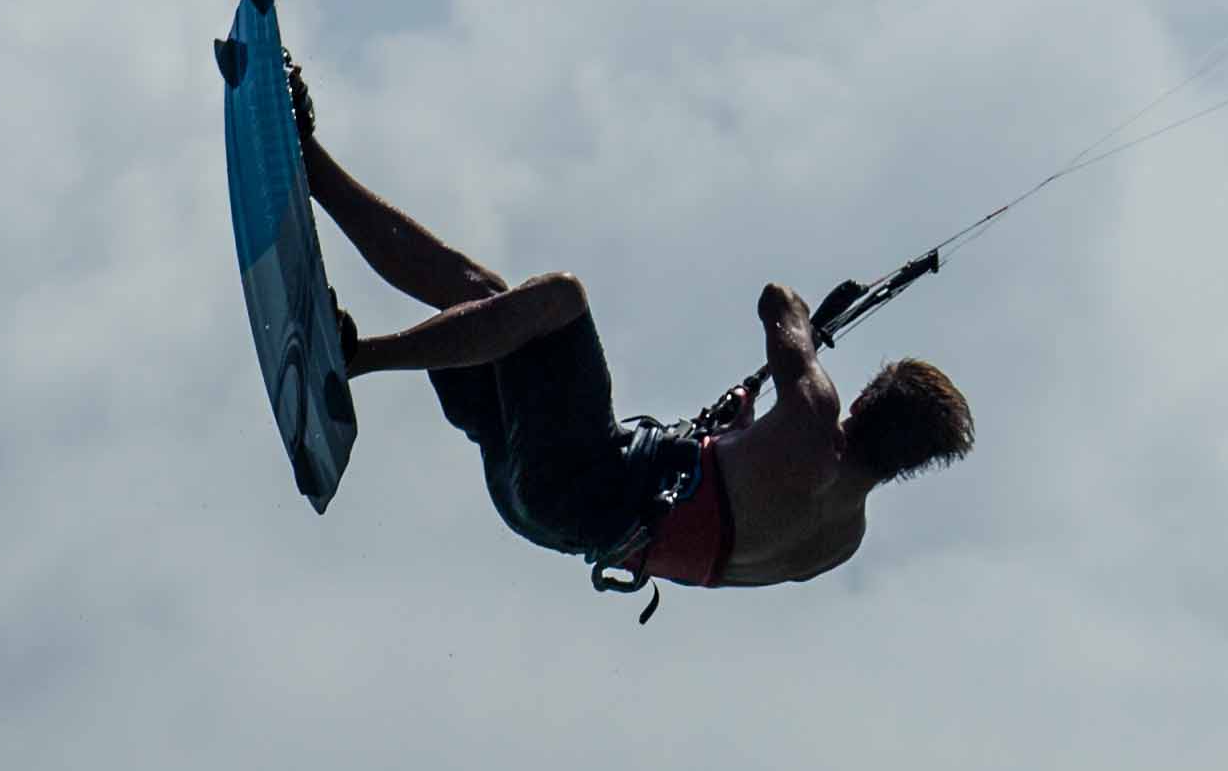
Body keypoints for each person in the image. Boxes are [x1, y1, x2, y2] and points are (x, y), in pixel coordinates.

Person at [297, 108, 972, 591]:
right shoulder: (839, 541)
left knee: (557, 299)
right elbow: (711, 530)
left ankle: (352, 359)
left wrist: (806, 341)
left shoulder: (815, 416)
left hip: (587, 477)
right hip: (551, 519)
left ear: (863, 401)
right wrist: (730, 435)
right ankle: (313, 165)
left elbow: (777, 304)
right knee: (489, 303)